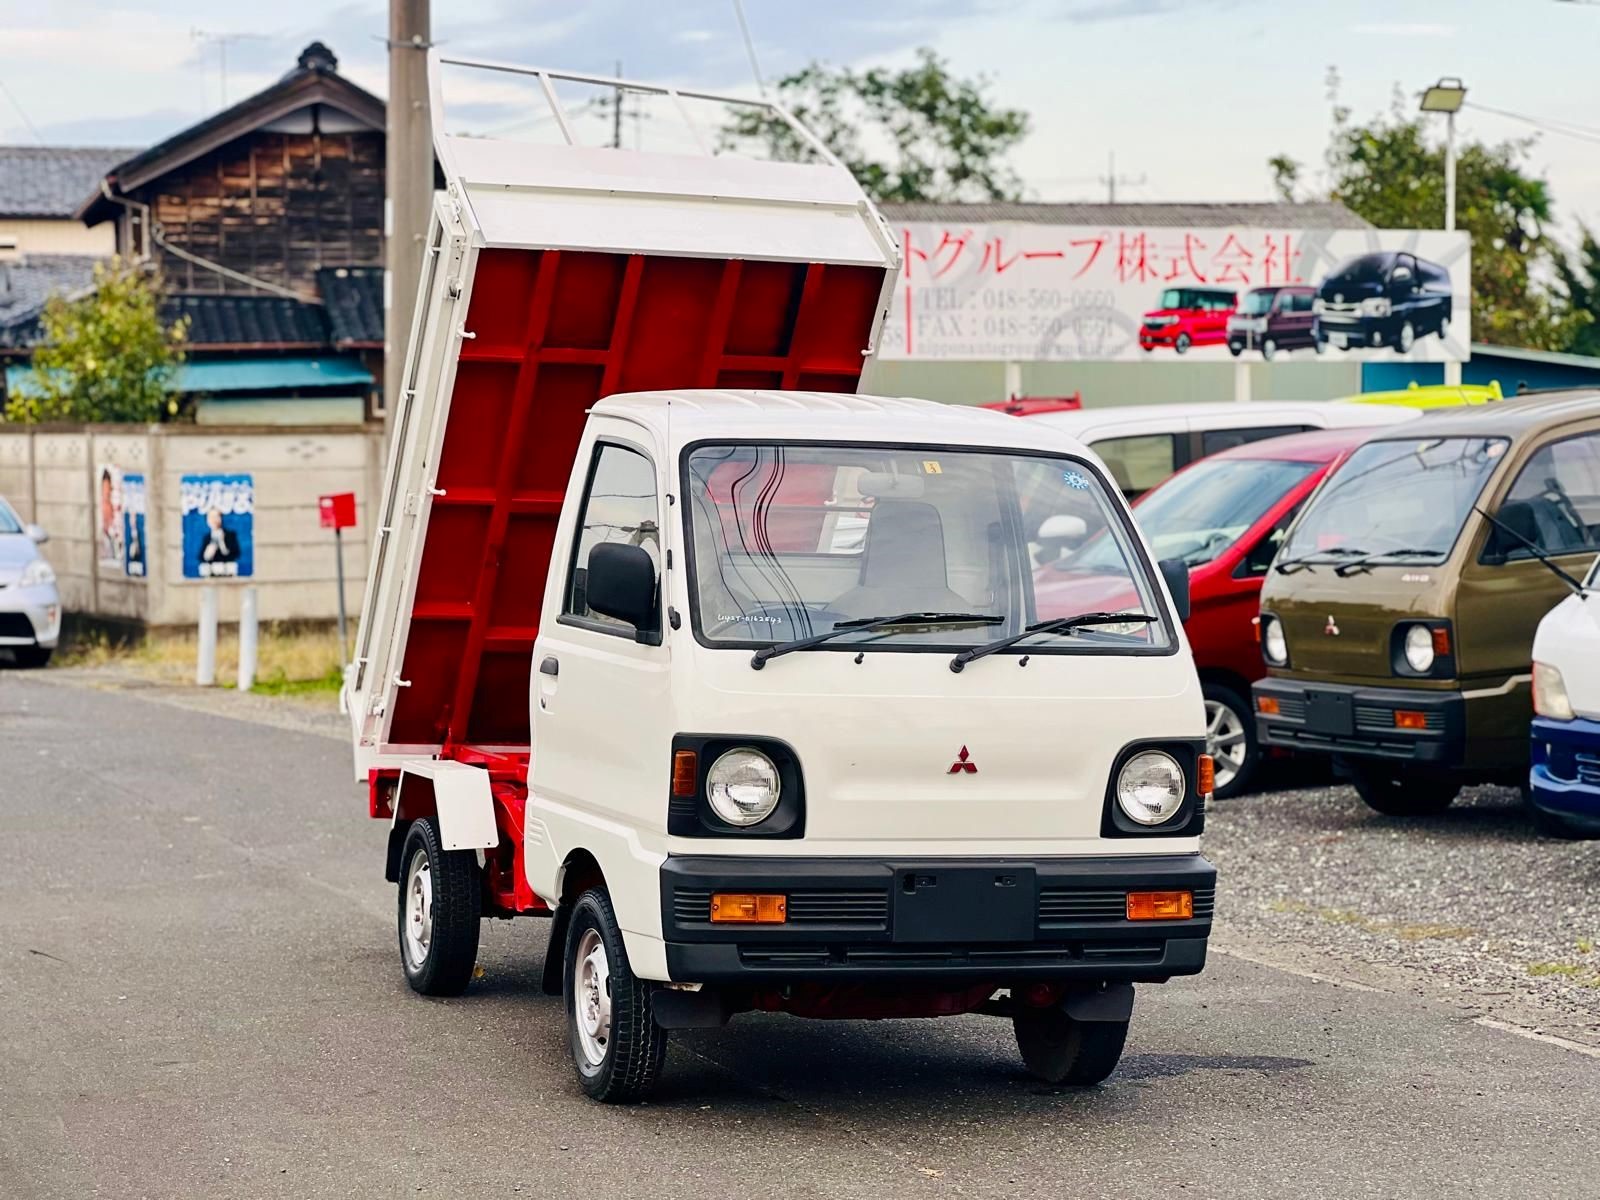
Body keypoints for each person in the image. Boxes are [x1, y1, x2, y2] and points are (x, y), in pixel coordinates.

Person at [199, 508, 239, 573]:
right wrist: (207, 555)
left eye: (216, 516)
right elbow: (200, 557)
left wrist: (223, 545)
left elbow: (236, 554)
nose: (214, 520)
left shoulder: (231, 535)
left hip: (227, 573)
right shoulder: (206, 538)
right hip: (210, 573)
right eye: (211, 517)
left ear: (221, 518)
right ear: (207, 521)